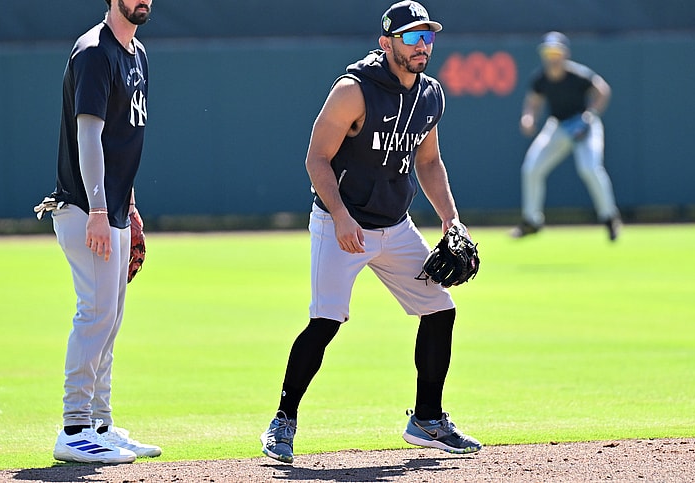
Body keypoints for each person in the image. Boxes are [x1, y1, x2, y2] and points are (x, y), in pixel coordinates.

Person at [259, 1, 482, 464]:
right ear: (387, 43)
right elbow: (316, 157)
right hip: (341, 224)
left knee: (440, 310)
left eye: (428, 36)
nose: (423, 46)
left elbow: (428, 161)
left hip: (395, 226)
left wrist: (451, 219)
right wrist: (339, 215)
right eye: (412, 37)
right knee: (326, 320)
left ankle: (427, 419)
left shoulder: (430, 95)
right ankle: (283, 420)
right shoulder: (354, 90)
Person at [36, 0, 160, 464]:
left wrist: (127, 206)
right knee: (95, 315)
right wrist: (98, 209)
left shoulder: (137, 54)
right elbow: (88, 135)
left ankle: (101, 425)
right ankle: (73, 428)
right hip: (86, 209)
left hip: (113, 209)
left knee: (110, 318)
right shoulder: (94, 51)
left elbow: (121, 143)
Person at [512, 31, 622, 241]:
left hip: (583, 125)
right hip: (559, 126)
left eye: (556, 52)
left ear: (564, 54)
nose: (552, 57)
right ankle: (532, 221)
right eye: (548, 52)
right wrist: (528, 117)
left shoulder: (578, 74)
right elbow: (532, 102)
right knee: (532, 168)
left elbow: (602, 90)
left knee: (589, 168)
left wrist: (590, 115)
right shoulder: (541, 79)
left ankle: (610, 218)